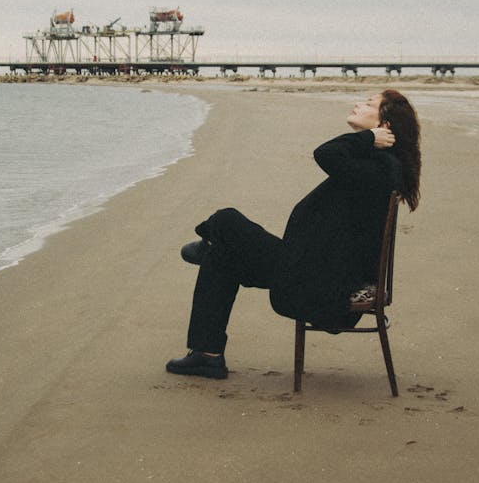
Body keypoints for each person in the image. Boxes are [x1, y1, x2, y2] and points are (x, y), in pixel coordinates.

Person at [166, 90, 421, 380]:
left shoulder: (379, 168)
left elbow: (325, 153)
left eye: (368, 104)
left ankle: (209, 240)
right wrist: (368, 141)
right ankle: (206, 355)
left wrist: (366, 138)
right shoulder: (376, 165)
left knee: (226, 221)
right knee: (222, 255)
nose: (357, 104)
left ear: (384, 125)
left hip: (318, 286)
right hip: (310, 270)